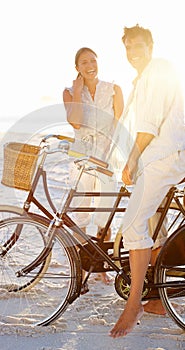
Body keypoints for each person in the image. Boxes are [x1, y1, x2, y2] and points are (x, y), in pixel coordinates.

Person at [110, 24, 185, 338]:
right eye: (128, 47)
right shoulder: (146, 77)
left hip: (163, 157)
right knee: (153, 228)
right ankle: (156, 299)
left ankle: (134, 304)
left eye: (138, 46)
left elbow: (149, 126)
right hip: (160, 156)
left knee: (132, 225)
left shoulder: (157, 72)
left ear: (151, 47)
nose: (133, 52)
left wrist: (132, 158)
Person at [63, 47, 124, 288]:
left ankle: (100, 269)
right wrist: (78, 91)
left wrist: (111, 149)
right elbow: (76, 122)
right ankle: (81, 269)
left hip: (107, 158)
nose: (90, 65)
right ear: (77, 68)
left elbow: (120, 124)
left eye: (93, 60)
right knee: (81, 215)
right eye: (84, 62)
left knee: (104, 216)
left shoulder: (114, 89)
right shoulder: (69, 92)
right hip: (81, 159)